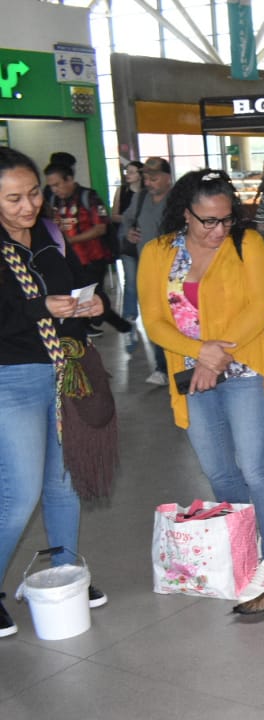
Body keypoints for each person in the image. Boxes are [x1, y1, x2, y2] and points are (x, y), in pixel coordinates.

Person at [137, 169, 264, 593]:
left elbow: (260, 306)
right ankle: (243, 544)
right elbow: (154, 320)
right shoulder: (158, 252)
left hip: (246, 368)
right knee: (218, 470)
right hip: (193, 374)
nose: (218, 230)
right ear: (186, 214)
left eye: (225, 219)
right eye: (208, 221)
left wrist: (215, 353)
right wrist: (201, 353)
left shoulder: (248, 243)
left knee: (256, 467)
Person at [0, 146, 109, 637]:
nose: (28, 207)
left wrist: (88, 306)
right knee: (20, 493)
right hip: (12, 378)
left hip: (64, 370)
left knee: (64, 482)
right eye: (13, 199)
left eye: (33, 194)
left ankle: (66, 571)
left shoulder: (48, 234)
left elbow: (70, 286)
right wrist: (41, 307)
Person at [43, 158, 132, 339]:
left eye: (58, 184)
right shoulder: (53, 201)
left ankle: (106, 325)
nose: (55, 189)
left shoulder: (88, 197)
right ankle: (102, 326)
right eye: (51, 186)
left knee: (89, 296)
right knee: (75, 297)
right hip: (66, 260)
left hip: (92, 258)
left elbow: (101, 228)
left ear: (69, 179)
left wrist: (71, 239)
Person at [122, 157, 174, 385]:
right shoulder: (140, 198)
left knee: (176, 320)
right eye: (146, 178)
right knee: (154, 319)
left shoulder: (178, 200)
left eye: (154, 178)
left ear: (167, 178)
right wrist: (129, 233)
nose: (149, 183)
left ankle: (178, 365)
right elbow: (127, 220)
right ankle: (162, 367)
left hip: (175, 272)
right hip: (147, 270)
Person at [111, 160, 144, 336]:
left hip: (145, 239)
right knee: (130, 280)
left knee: (146, 279)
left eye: (131, 171)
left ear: (140, 174)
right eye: (127, 172)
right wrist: (128, 219)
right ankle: (129, 314)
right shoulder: (122, 192)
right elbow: (113, 216)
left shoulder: (147, 194)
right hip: (126, 239)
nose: (128, 175)